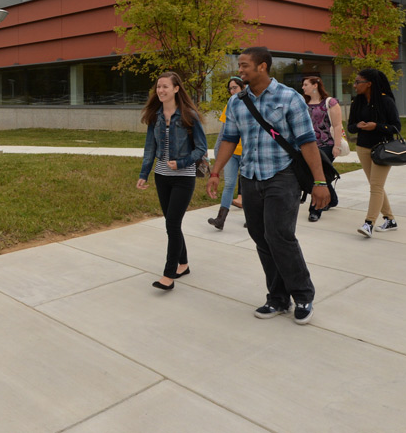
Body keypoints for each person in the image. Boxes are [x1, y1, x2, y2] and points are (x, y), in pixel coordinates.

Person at [206, 47, 329, 325]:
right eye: (239, 65)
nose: (240, 70)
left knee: (280, 236)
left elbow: (308, 142)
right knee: (261, 237)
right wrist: (215, 172)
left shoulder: (289, 98)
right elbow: (228, 139)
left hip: (282, 177)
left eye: (245, 65)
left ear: (262, 67)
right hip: (250, 177)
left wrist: (320, 182)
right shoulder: (238, 102)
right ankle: (277, 297)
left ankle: (303, 295)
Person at [136, 72, 207, 291]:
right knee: (172, 223)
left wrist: (184, 162)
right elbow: (150, 148)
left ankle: (169, 275)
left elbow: (202, 149)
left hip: (183, 178)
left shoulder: (189, 116)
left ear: (176, 89)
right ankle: (183, 264)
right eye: (158, 87)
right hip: (162, 176)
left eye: (165, 87)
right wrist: (144, 174)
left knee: (172, 224)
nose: (161, 91)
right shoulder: (155, 116)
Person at [348, 68, 402, 238]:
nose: (355, 85)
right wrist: (358, 126)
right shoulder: (357, 102)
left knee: (376, 186)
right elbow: (349, 126)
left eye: (358, 82)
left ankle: (369, 223)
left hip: (383, 150)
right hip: (362, 148)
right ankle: (390, 219)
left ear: (369, 84)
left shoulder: (386, 101)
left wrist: (376, 126)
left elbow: (396, 127)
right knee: (375, 185)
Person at [301, 76, 343, 222]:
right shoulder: (303, 103)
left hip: (326, 145)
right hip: (309, 145)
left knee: (316, 176)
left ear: (315, 86)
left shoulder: (330, 102)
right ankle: (332, 199)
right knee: (321, 175)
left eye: (305, 84)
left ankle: (315, 210)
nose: (303, 87)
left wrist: (337, 146)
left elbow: (337, 125)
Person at [208, 76, 245, 230]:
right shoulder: (229, 105)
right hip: (231, 154)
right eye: (230, 88)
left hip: (247, 153)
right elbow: (223, 133)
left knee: (249, 187)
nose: (232, 91)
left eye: (235, 87)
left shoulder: (251, 104)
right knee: (229, 184)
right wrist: (218, 155)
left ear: (242, 88)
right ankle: (220, 219)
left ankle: (252, 218)